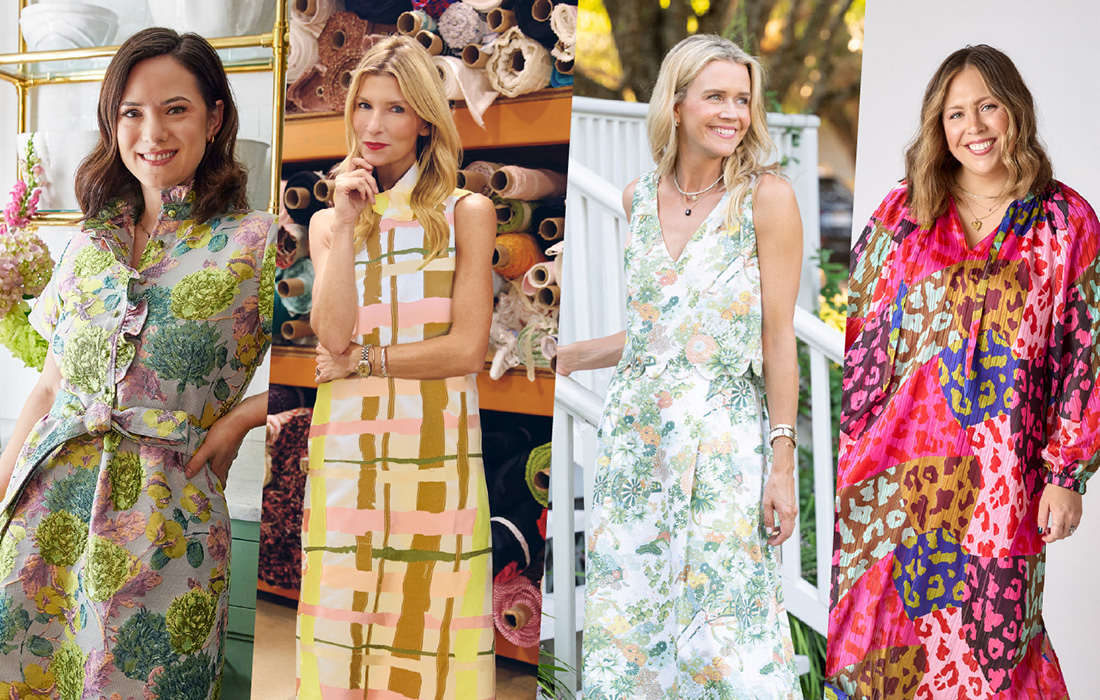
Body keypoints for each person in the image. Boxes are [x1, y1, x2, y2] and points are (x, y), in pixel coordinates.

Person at [0, 28, 275, 698]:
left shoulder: (261, 243)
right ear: (113, 123)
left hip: (165, 522)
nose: (152, 130)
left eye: (175, 108)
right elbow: (48, 386)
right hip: (45, 506)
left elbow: (334, 363)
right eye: (132, 112)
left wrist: (241, 419)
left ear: (214, 119)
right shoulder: (88, 242)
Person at [825, 44, 1099, 699]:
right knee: (885, 640)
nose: (972, 127)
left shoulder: (1067, 222)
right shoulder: (902, 214)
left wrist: (1067, 475)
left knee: (1001, 645)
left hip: (1003, 474)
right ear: (937, 126)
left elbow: (1083, 355)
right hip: (896, 468)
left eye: (987, 107)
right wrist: (854, 458)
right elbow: (865, 340)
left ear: (1015, 113)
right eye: (955, 114)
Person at [555, 34, 804, 700]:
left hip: (724, 445)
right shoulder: (638, 198)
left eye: (743, 100)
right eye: (716, 96)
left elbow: (779, 339)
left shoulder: (766, 199)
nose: (732, 113)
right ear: (676, 101)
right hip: (638, 445)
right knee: (635, 619)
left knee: (729, 635)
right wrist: (574, 354)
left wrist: (783, 463)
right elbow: (660, 333)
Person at [299, 35, 496, 699]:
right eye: (364, 108)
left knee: (426, 623)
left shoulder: (468, 213)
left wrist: (364, 361)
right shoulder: (331, 223)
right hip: (349, 443)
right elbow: (330, 334)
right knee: (342, 623)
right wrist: (351, 222)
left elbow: (467, 349)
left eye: (394, 110)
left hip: (434, 442)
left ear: (424, 121)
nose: (374, 126)